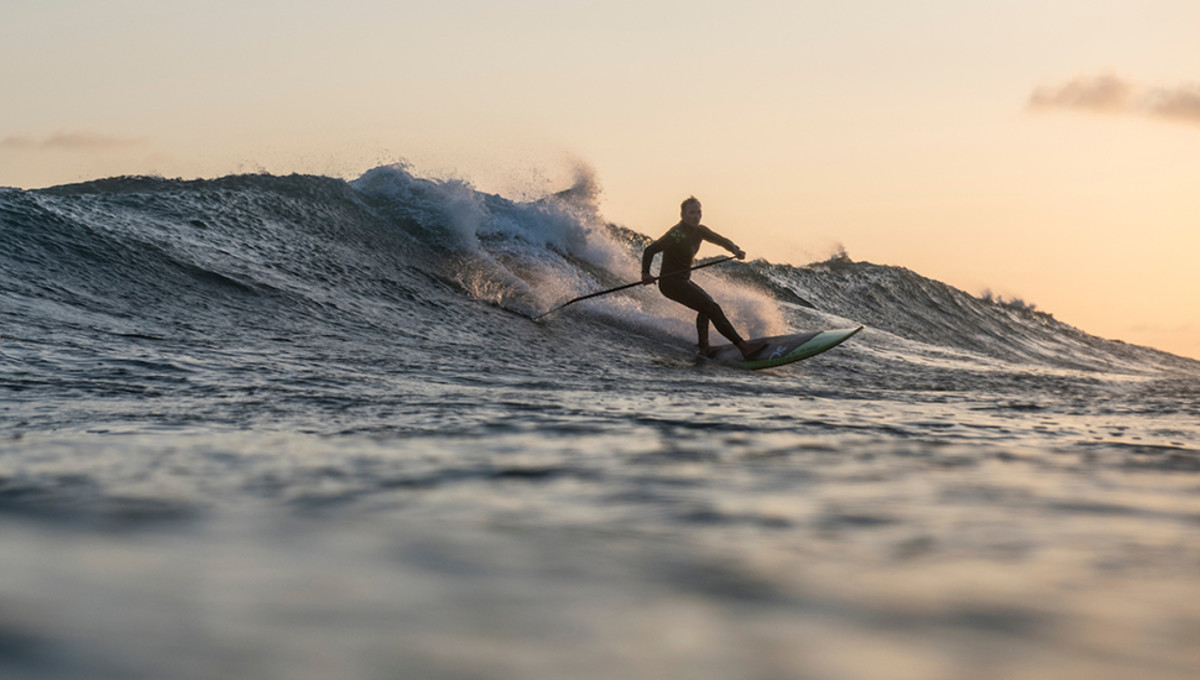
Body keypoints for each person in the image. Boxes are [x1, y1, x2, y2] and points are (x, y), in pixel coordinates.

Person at [642, 197, 767, 359]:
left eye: (698, 212)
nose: (696, 216)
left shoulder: (700, 231)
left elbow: (720, 240)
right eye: (691, 212)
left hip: (683, 281)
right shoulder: (676, 234)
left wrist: (735, 249)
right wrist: (645, 273)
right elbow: (650, 250)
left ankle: (704, 348)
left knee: (707, 307)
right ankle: (744, 347)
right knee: (712, 308)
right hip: (670, 283)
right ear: (683, 215)